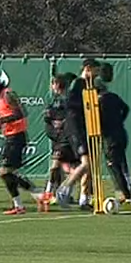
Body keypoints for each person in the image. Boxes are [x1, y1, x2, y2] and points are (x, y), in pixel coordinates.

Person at [0, 71, 42, 215]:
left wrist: (1, 120)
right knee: (9, 173)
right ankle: (21, 204)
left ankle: (36, 193)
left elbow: (21, 113)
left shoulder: (8, 94)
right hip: (10, 137)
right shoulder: (0, 98)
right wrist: (0, 124)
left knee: (4, 172)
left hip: (17, 137)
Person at [56, 59, 101, 209]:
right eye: (96, 70)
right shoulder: (78, 83)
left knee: (90, 165)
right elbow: (70, 104)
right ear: (88, 69)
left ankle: (84, 199)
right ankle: (64, 189)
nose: (97, 74)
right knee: (86, 163)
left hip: (87, 127)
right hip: (76, 128)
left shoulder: (90, 85)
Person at [42, 74, 78, 203]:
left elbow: (71, 115)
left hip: (66, 137)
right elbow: (47, 117)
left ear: (57, 84)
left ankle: (52, 192)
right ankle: (57, 192)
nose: (52, 86)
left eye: (53, 84)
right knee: (64, 167)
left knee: (60, 165)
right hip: (57, 137)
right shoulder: (52, 99)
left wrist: (62, 122)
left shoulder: (68, 99)